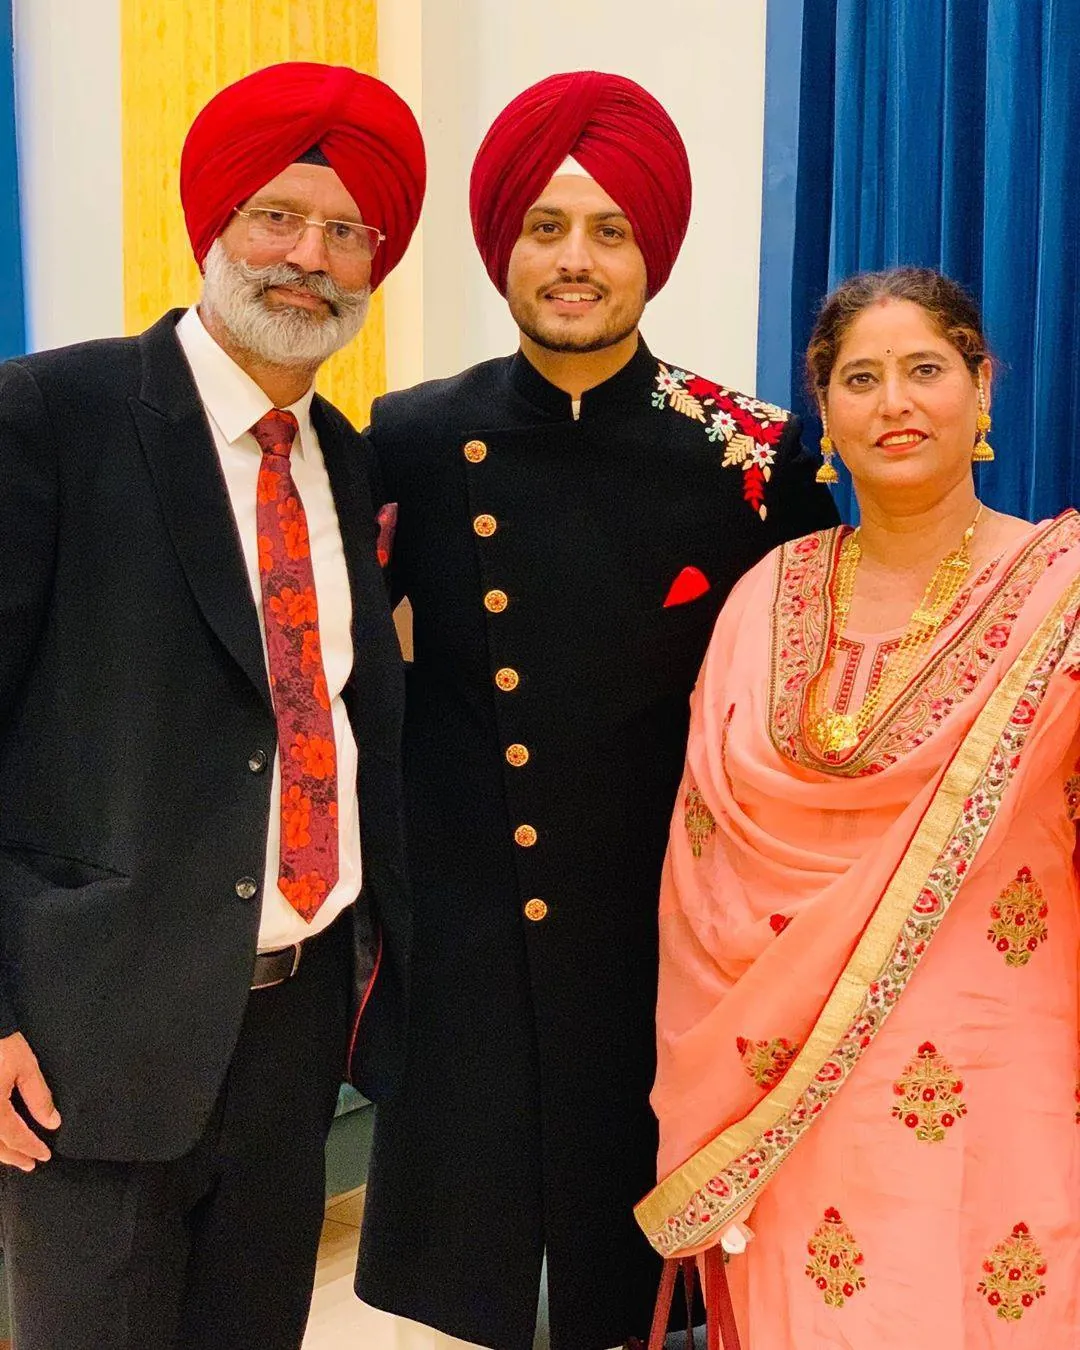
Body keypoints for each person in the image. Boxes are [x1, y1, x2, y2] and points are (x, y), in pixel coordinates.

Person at [353, 69, 838, 1350]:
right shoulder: (407, 435)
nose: (576, 259)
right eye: (547, 226)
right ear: (503, 244)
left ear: (653, 252)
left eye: (611, 229)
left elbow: (818, 691)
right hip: (474, 933)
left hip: (669, 937)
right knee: (471, 1294)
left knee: (659, 1292)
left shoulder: (752, 452)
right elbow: (334, 676)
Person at [0, 61, 424, 1350]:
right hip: (90, 1037)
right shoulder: (50, 417)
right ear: (213, 226)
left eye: (347, 232)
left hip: (294, 1030)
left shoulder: (346, 462)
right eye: (277, 216)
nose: (310, 257)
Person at [636, 267, 1080, 1347]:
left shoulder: (1062, 588)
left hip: (1002, 1068)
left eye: (926, 370)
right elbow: (703, 866)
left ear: (982, 388)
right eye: (861, 379)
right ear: (824, 414)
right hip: (785, 1089)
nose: (896, 404)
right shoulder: (769, 592)